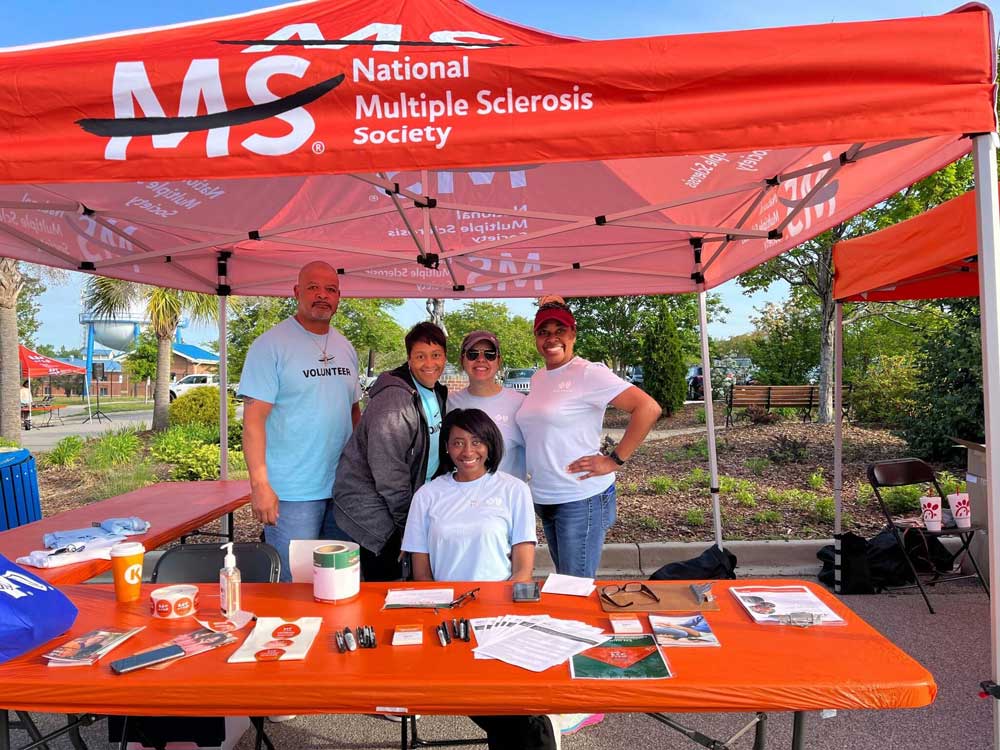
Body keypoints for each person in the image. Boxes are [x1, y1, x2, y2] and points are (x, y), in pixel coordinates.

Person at [401, 408, 557, 750]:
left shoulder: (513, 490)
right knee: (498, 705)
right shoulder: (427, 495)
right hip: (449, 613)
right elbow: (422, 572)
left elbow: (523, 566)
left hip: (499, 610)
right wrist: (440, 613)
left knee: (501, 701)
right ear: (446, 448)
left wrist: (508, 614)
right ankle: (535, 728)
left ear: (490, 444)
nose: (467, 451)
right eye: (457, 442)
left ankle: (531, 727)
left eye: (476, 441)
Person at [516, 296, 661, 580]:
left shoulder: (588, 373)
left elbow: (648, 408)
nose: (551, 338)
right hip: (545, 496)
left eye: (560, 331)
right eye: (544, 332)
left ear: (573, 334)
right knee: (565, 582)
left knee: (574, 589)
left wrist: (614, 460)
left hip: (579, 498)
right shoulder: (539, 378)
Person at [238, 261, 362, 582]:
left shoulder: (346, 347)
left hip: (342, 490)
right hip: (292, 495)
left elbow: (353, 413)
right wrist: (260, 485)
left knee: (339, 582)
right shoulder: (270, 346)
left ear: (339, 297)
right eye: (313, 288)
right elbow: (252, 423)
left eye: (330, 290)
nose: (322, 295)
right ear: (296, 292)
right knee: (295, 587)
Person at [334, 322, 448, 581]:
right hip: (374, 511)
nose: (429, 363)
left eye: (436, 355)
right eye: (420, 356)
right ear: (409, 359)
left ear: (445, 357)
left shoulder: (433, 392)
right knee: (387, 589)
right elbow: (390, 474)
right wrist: (409, 529)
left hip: (400, 507)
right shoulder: (394, 403)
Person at [447, 330, 526, 479]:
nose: (481, 359)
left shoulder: (521, 403)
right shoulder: (449, 403)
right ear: (462, 360)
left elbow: (545, 446)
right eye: (473, 354)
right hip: (461, 497)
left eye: (489, 354)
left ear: (499, 361)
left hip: (506, 499)